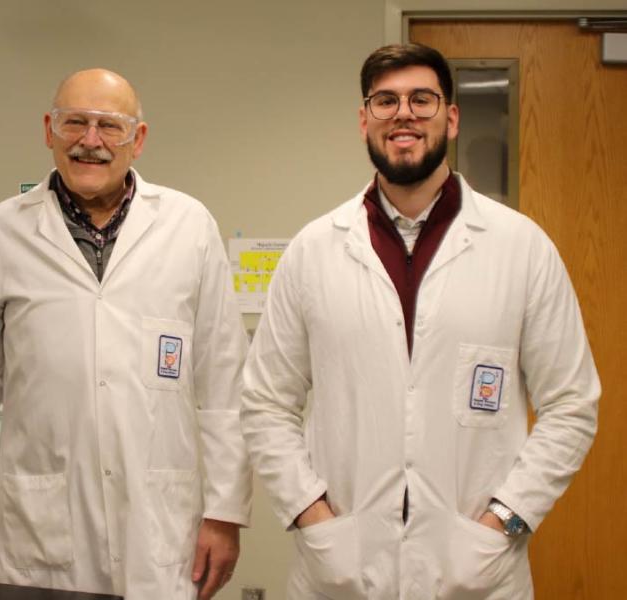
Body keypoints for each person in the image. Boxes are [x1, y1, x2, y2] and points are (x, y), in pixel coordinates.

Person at [0, 68, 252, 600]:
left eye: (109, 126)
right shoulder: (1, 232)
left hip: (160, 522)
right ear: (49, 130)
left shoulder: (188, 226)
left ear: (137, 140)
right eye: (74, 122)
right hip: (44, 522)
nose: (90, 141)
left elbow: (224, 383)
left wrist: (225, 511)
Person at [241, 43, 600, 599]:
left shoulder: (520, 248)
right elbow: (266, 401)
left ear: (451, 118)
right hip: (340, 568)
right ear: (364, 119)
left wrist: (505, 519)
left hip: (478, 569)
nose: (403, 113)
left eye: (422, 99)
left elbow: (571, 404)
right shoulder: (314, 250)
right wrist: (311, 516)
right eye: (385, 101)